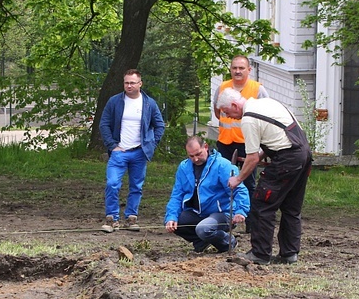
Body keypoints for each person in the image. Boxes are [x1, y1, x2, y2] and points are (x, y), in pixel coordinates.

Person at [217, 88, 313, 265]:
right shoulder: (267, 103)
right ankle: (289, 254)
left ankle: (260, 254)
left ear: (233, 104)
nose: (229, 117)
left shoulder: (249, 118)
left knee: (262, 204)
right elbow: (278, 136)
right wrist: (260, 156)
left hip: (287, 159)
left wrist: (237, 180)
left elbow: (252, 158)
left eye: (227, 112)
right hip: (304, 154)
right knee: (291, 207)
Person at [100, 69, 165, 232]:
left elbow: (160, 125)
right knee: (112, 184)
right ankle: (111, 219)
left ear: (140, 84)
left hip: (139, 152)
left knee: (136, 186)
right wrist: (112, 145)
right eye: (126, 83)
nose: (129, 86)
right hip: (118, 152)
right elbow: (104, 124)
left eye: (132, 83)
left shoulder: (149, 103)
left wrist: (151, 145)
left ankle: (131, 218)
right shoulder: (114, 101)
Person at [165, 136, 250, 253]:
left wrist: (241, 211)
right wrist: (171, 217)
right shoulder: (184, 167)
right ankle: (201, 242)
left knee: (203, 229)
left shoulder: (223, 165)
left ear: (205, 147)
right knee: (173, 222)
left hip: (223, 213)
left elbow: (239, 189)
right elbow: (177, 195)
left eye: (198, 154)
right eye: (191, 156)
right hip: (197, 213)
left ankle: (228, 242)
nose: (195, 159)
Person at [212, 55, 268, 232]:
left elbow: (265, 114)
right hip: (225, 141)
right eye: (234, 68)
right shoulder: (222, 87)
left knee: (249, 183)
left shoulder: (257, 89)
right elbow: (217, 110)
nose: (237, 71)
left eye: (241, 68)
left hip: (247, 143)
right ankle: (225, 220)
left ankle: (250, 222)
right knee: (223, 181)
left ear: (248, 70)